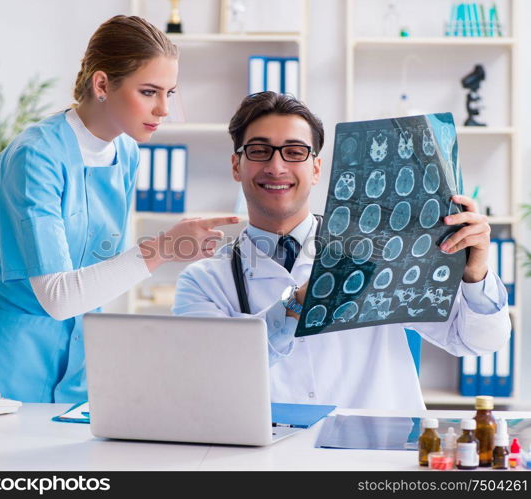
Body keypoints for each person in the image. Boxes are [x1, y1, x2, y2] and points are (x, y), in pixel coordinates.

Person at [0, 16, 238, 403]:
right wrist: (163, 249)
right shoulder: (36, 156)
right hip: (6, 364)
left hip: (77, 363)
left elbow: (99, 269)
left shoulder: (126, 151)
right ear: (102, 84)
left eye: (170, 92)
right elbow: (58, 296)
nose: (164, 108)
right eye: (150, 91)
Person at [172, 91, 511, 410]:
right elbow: (209, 375)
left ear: (316, 168)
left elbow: (477, 342)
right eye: (259, 151)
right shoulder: (204, 282)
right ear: (236, 165)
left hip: (375, 459)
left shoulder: (385, 249)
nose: (276, 167)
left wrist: (474, 274)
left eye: (294, 152)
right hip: (270, 464)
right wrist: (296, 304)